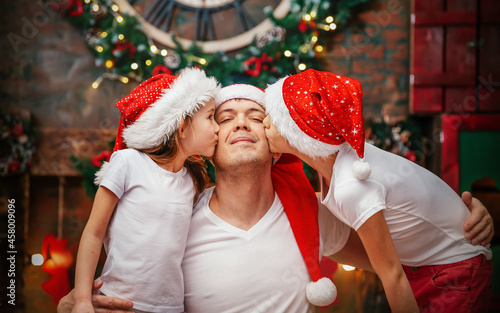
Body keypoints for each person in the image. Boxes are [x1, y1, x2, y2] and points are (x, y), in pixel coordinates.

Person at [58, 83, 494, 313]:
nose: (242, 124)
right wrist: (75, 302)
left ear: (278, 140)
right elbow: (125, 278)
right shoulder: (176, 215)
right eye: (225, 117)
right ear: (208, 143)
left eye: (257, 116)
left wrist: (474, 224)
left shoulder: (315, 214)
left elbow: (411, 260)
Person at [263, 69, 493, 313]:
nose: (265, 122)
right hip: (435, 266)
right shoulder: (341, 162)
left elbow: (392, 275)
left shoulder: (351, 187)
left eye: (275, 118)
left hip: (456, 271)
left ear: (300, 133)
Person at [71, 68, 220, 313]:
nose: (217, 128)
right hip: (120, 303)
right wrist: (82, 300)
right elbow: (94, 233)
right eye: (210, 117)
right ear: (181, 127)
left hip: (171, 308)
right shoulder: (127, 162)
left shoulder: (191, 181)